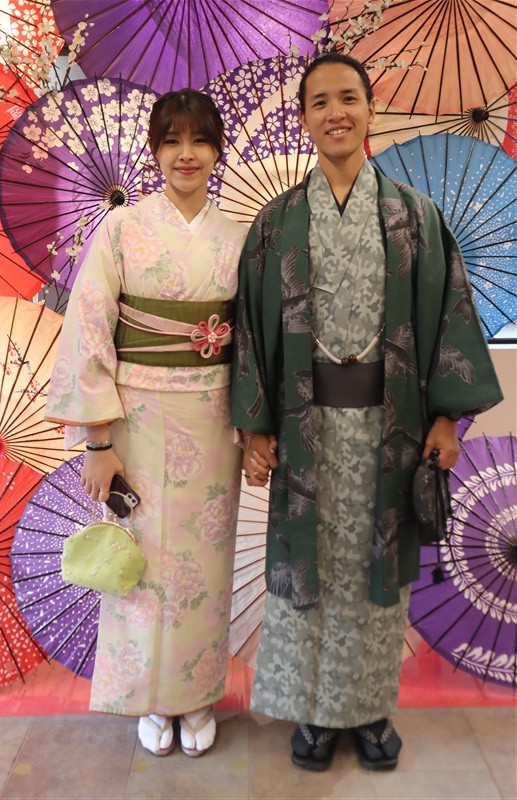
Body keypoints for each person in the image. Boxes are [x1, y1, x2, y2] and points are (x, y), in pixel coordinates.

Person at [231, 53, 503, 773]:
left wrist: (445, 417)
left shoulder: (414, 215)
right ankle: (315, 713)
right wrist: (255, 426)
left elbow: (448, 312)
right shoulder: (276, 222)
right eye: (319, 102)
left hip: (392, 424)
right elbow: (251, 328)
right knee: (310, 569)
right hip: (305, 426)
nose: (335, 113)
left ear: (370, 108)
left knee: (375, 572)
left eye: (348, 98)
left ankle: (371, 709)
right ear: (303, 118)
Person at [45, 89, 247, 758]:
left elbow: (253, 341)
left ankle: (196, 693)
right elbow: (89, 327)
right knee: (142, 558)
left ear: (216, 150)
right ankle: (149, 697)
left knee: (203, 561)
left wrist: (255, 427)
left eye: (200, 140)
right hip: (134, 418)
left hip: (212, 417)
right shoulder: (122, 228)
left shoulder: (236, 237)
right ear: (155, 151)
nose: (186, 154)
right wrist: (98, 442)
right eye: (172, 140)